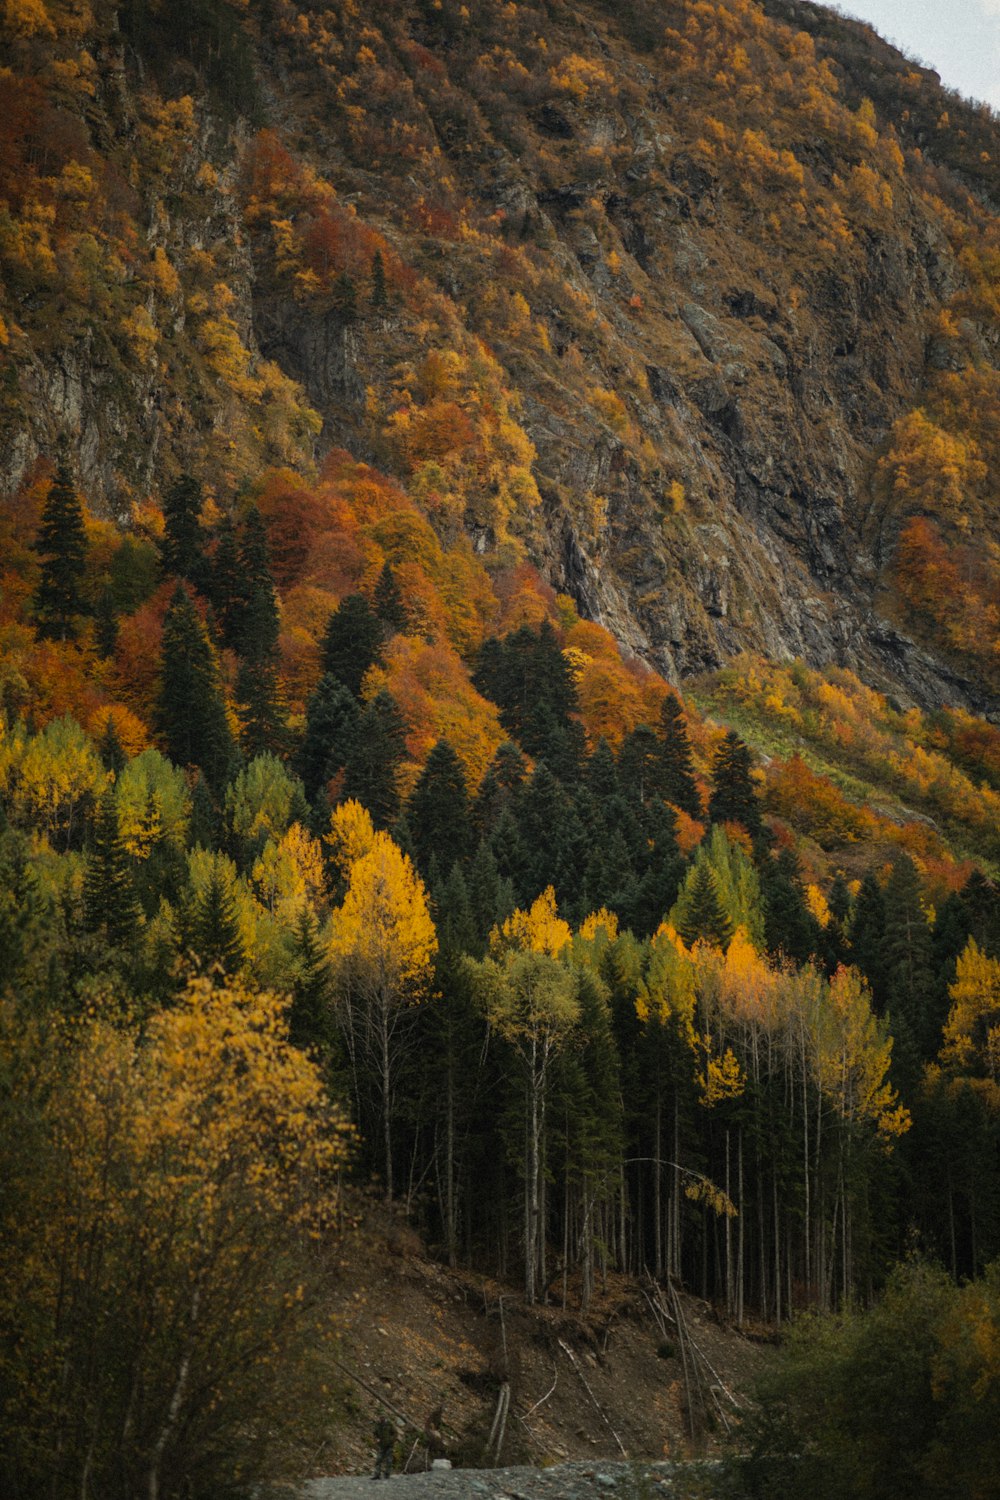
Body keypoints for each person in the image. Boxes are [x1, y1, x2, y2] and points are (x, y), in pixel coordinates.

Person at [372, 1409, 396, 1480]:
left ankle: (387, 1474)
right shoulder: (378, 1425)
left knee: (388, 1460)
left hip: (389, 1446)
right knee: (378, 1460)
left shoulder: (389, 1424)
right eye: (380, 1417)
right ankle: (377, 1474)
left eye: (383, 1417)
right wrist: (376, 1439)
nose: (381, 1418)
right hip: (381, 1445)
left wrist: (391, 1441)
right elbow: (375, 1433)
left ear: (385, 1417)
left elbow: (395, 1433)